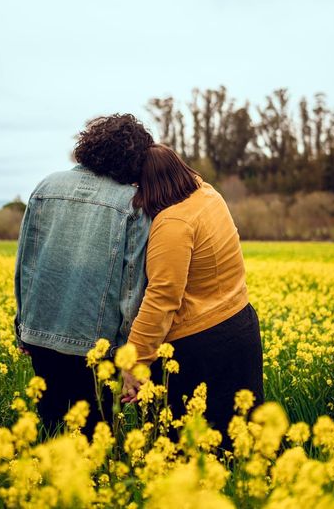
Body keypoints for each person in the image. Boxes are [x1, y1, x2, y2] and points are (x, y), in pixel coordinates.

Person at [14, 114, 152, 436]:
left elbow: (26, 264)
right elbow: (132, 287)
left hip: (41, 333)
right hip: (97, 347)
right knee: (95, 441)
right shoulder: (131, 204)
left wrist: (23, 325)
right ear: (133, 158)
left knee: (49, 432)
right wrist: (127, 352)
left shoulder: (45, 187)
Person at [123, 144, 264, 447]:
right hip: (241, 326)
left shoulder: (173, 223)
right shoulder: (207, 194)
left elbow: (161, 298)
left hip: (202, 347)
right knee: (244, 442)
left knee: (188, 449)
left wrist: (134, 362)